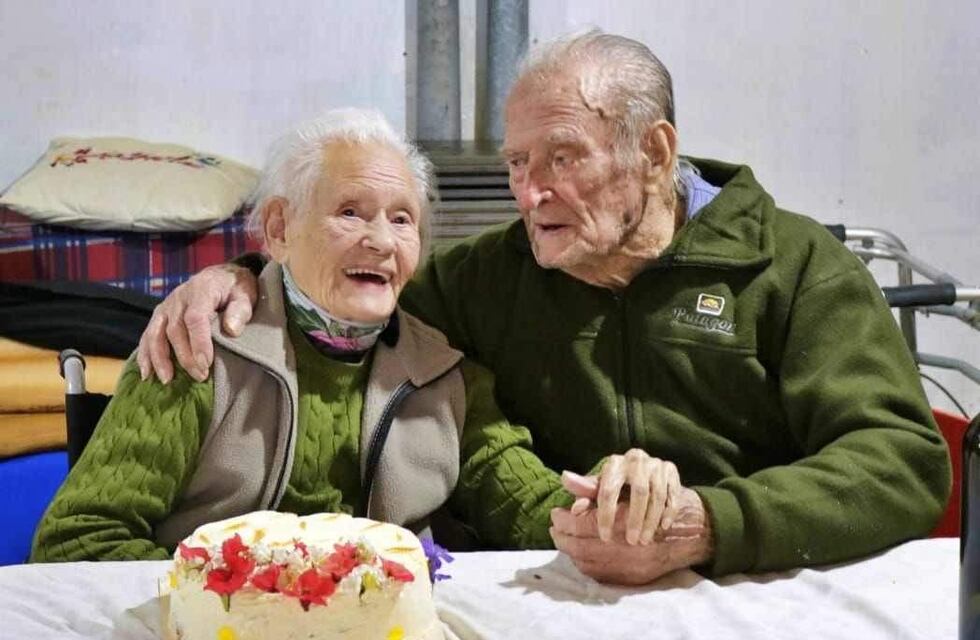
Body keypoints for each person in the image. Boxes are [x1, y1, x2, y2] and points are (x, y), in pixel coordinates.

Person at [136, 31, 951, 584]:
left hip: (744, 590)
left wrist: (709, 523)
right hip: (546, 594)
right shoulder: (488, 277)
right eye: (518, 162)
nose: (529, 194)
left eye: (563, 158)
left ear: (655, 153)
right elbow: (350, 292)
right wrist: (246, 275)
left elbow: (901, 461)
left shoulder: (796, 266)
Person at [30, 108, 579, 562]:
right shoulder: (197, 350)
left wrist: (609, 507)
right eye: (350, 212)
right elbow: (76, 541)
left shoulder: (443, 375)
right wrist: (250, 592)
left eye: (403, 219)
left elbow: (530, 504)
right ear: (278, 229)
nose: (382, 241)